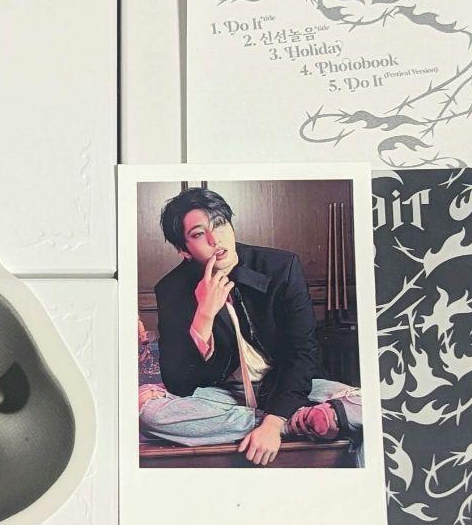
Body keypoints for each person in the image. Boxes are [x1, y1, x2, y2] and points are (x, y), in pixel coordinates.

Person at [142, 187, 356, 465]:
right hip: (225, 395)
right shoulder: (172, 289)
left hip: (292, 387)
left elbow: (302, 354)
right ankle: (297, 423)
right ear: (184, 250)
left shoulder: (281, 267)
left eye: (219, 224)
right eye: (198, 234)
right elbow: (180, 384)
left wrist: (273, 421)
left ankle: (286, 419)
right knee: (149, 414)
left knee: (371, 404)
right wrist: (204, 315)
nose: (215, 239)